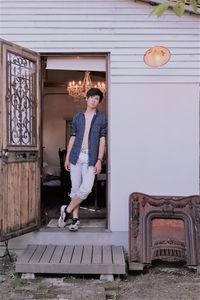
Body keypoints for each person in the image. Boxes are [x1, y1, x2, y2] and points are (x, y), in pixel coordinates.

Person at [58, 87, 107, 231]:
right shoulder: (78, 117)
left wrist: (99, 159)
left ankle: (66, 211)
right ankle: (75, 219)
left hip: (91, 158)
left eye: (97, 98)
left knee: (86, 189)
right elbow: (72, 138)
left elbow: (102, 140)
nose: (93, 100)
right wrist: (67, 158)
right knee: (75, 188)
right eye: (91, 97)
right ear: (86, 99)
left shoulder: (101, 118)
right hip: (75, 156)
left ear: (98, 102)